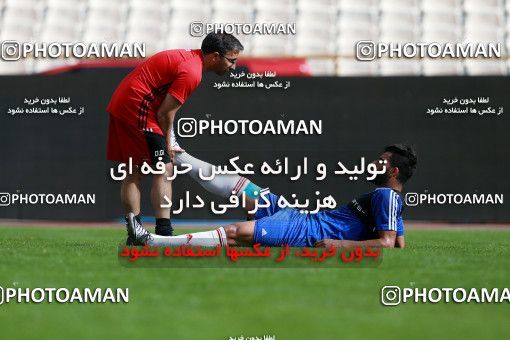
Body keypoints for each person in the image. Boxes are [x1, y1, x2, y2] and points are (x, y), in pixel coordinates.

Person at [126, 144, 417, 248]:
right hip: (300, 216)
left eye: (380, 161)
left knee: (234, 232)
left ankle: (153, 241)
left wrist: (338, 245)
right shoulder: (389, 199)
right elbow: (399, 241)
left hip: (305, 230)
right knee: (245, 188)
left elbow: (388, 243)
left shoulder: (386, 197)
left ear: (392, 171)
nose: (373, 163)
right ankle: (179, 155)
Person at [106, 32, 243, 242]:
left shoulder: (190, 59)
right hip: (137, 106)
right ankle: (163, 233)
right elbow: (165, 113)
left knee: (133, 170)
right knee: (164, 169)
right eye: (231, 60)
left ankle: (136, 233)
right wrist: (169, 141)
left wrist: (169, 137)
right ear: (215, 56)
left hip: (125, 103)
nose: (233, 66)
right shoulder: (192, 72)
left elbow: (164, 109)